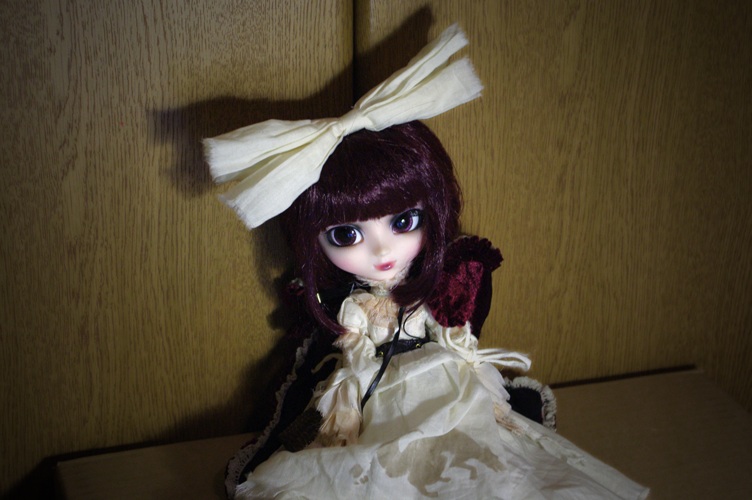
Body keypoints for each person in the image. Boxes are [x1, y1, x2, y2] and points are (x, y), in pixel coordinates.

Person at [205, 25, 648, 500]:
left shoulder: (437, 287)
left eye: (403, 221)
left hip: (441, 377)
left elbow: (456, 337)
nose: (382, 252)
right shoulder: (346, 306)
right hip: (375, 394)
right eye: (347, 235)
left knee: (481, 457)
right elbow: (339, 360)